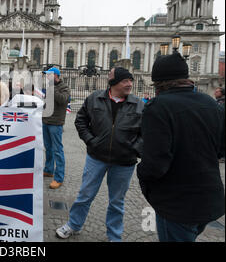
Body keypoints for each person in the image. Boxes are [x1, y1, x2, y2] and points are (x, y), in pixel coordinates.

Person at [137, 54, 225, 242]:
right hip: (209, 199)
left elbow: (154, 163)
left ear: (158, 83)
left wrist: (144, 179)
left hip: (176, 203)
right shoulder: (211, 103)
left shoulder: (158, 107)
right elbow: (222, 148)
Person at [56, 67, 144, 242]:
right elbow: (81, 120)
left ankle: (114, 235)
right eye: (125, 81)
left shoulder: (139, 104)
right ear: (114, 83)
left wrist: (133, 148)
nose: (130, 84)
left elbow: (147, 132)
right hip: (96, 157)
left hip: (124, 162)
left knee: (117, 202)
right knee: (85, 195)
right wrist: (91, 141)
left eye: (131, 81)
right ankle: (74, 224)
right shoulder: (94, 98)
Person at [41, 67, 70, 189]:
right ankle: (48, 170)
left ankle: (58, 178)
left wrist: (52, 89)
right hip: (46, 121)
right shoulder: (49, 87)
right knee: (48, 148)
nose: (47, 77)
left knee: (58, 150)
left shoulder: (64, 88)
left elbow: (63, 101)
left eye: (48, 75)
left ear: (55, 76)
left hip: (56, 123)